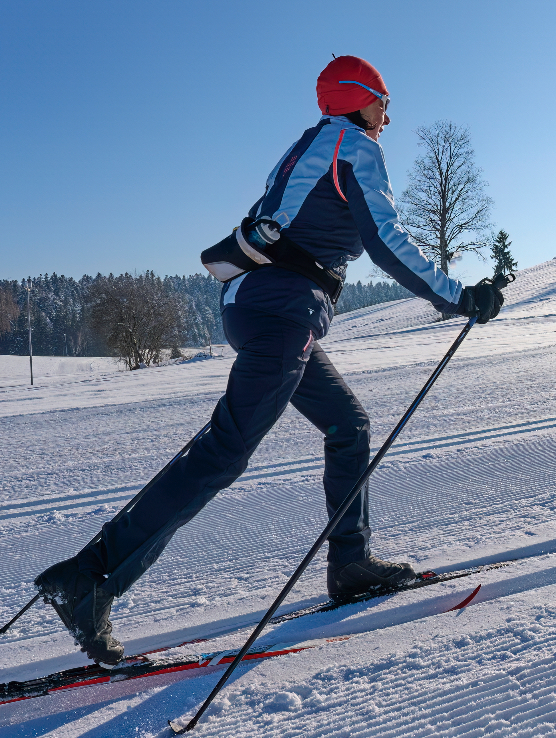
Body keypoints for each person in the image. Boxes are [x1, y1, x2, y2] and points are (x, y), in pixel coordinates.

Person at [33, 54, 505, 663]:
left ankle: (352, 562)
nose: (387, 115)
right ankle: (89, 580)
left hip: (258, 304)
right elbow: (387, 240)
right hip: (283, 312)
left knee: (348, 425)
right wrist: (456, 296)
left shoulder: (307, 145)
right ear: (356, 98)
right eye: (383, 101)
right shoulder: (352, 146)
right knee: (222, 454)